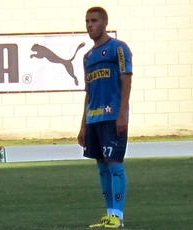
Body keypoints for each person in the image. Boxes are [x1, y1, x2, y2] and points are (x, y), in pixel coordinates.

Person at [77, 6, 132, 229]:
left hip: (112, 117)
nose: (90, 25)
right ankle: (109, 214)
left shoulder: (118, 48)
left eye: (94, 21)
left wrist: (122, 113)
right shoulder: (87, 57)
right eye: (87, 21)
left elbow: (126, 79)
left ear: (105, 23)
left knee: (114, 165)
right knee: (102, 167)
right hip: (93, 119)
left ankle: (118, 216)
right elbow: (88, 92)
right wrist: (82, 126)